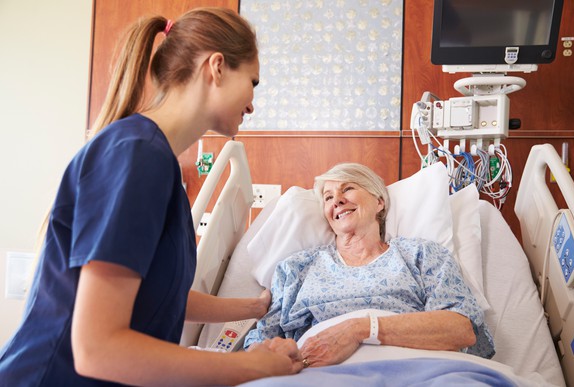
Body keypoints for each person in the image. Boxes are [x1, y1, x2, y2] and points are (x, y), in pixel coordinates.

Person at [0, 7, 302, 386]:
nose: (253, 104)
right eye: (253, 82)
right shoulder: (136, 156)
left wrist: (254, 307)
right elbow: (98, 349)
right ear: (217, 67)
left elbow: (153, 292)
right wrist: (253, 366)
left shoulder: (156, 163)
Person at [244, 162, 495, 367]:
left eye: (348, 189)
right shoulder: (297, 268)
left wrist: (360, 329)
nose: (337, 201)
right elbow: (261, 345)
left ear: (379, 202)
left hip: (414, 371)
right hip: (321, 375)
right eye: (328, 197)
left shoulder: (421, 255)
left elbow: (461, 330)